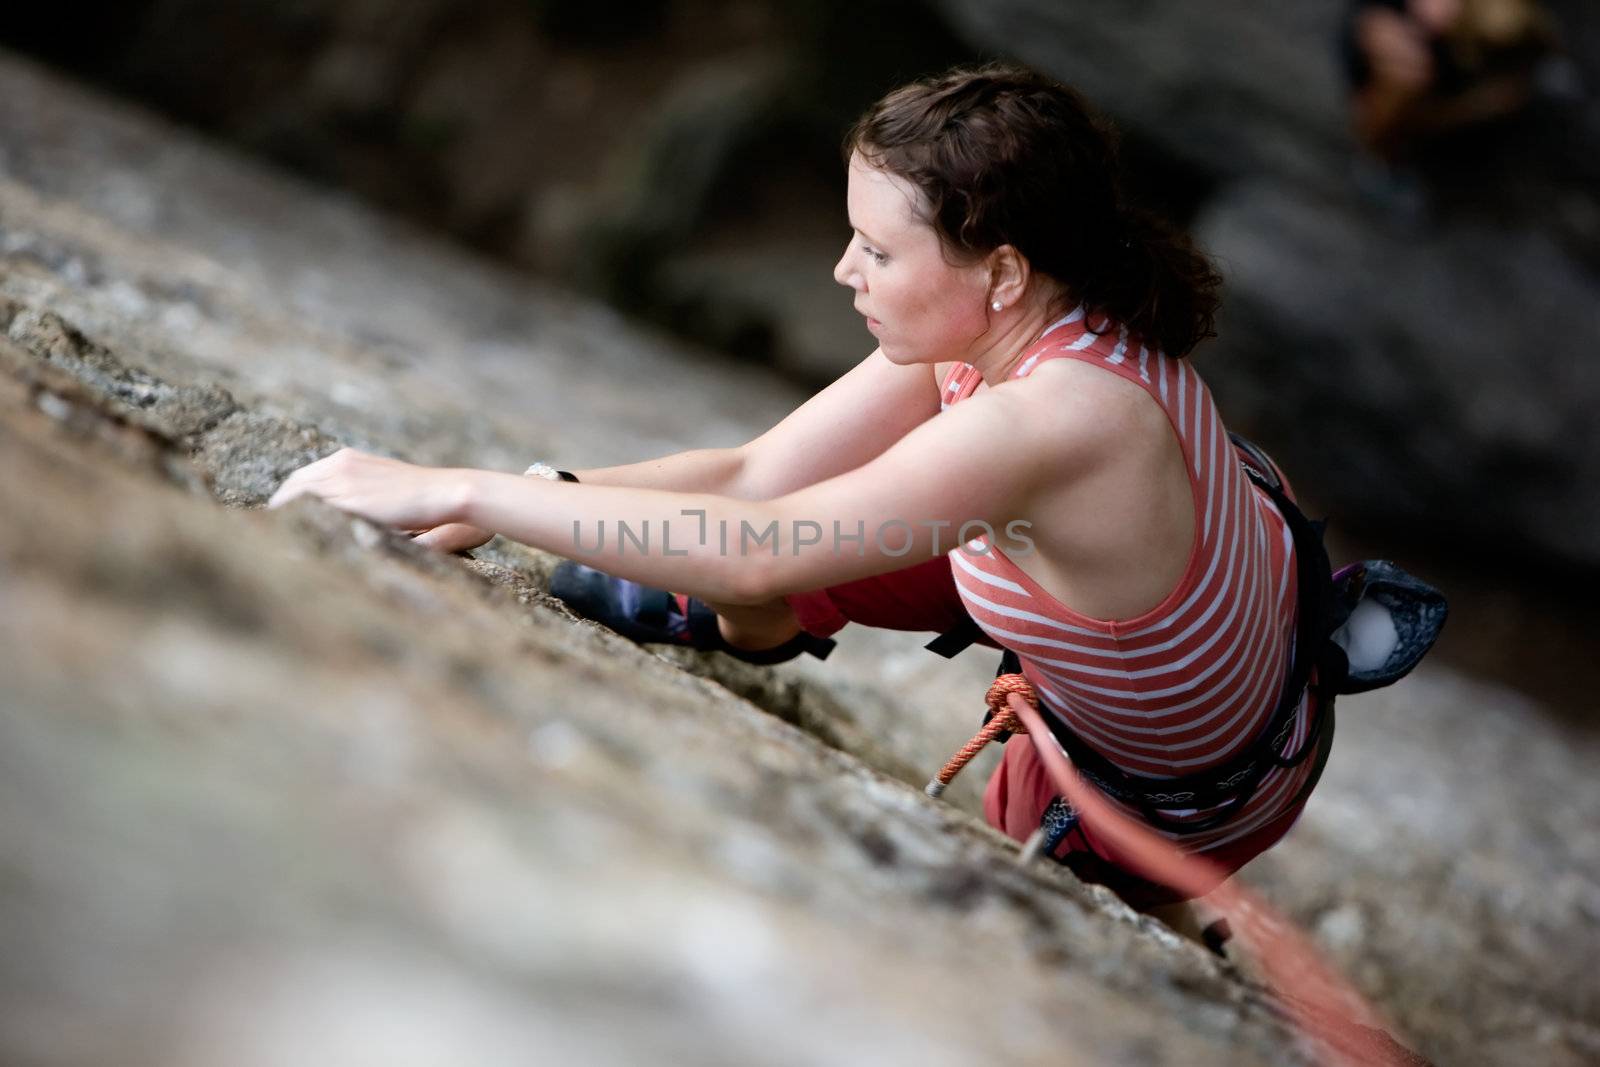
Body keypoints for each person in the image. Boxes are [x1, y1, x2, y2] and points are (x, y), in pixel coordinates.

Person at [268, 63, 1332, 913]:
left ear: (1000, 268)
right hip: (1179, 620)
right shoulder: (1033, 306)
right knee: (806, 524)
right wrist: (516, 491)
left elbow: (759, 541)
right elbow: (755, 475)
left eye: (875, 246)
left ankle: (1160, 902)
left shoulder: (1049, 415)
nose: (841, 269)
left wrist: (456, 485)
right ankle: (743, 623)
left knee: (1010, 903)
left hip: (1186, 786)